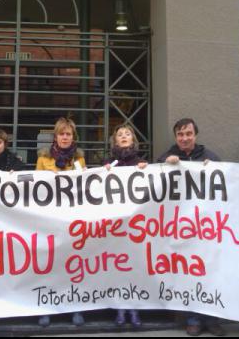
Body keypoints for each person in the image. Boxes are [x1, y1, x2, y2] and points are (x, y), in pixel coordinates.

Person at [156, 118, 224, 337]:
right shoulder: (166, 157)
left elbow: (225, 183)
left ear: (195, 135)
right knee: (188, 274)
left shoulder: (211, 157)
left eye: (188, 134)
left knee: (209, 273)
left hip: (205, 229)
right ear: (175, 137)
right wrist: (166, 164)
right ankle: (193, 319)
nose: (184, 138)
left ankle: (211, 319)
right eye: (180, 134)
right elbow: (154, 183)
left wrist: (214, 169)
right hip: (180, 230)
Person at [36, 117, 86, 327]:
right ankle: (47, 307)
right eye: (61, 134)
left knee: (72, 264)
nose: (65, 137)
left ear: (73, 137)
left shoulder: (79, 159)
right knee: (49, 265)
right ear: (55, 137)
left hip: (71, 219)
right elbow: (36, 189)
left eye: (68, 134)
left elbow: (84, 186)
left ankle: (74, 307)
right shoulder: (43, 158)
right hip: (50, 218)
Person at [104, 124, 147, 327]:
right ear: (115, 140)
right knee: (117, 267)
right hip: (115, 225)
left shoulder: (141, 163)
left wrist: (146, 170)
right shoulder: (108, 163)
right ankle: (120, 308)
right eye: (119, 134)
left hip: (135, 225)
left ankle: (134, 308)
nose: (123, 136)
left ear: (133, 139)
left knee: (134, 266)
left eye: (127, 134)